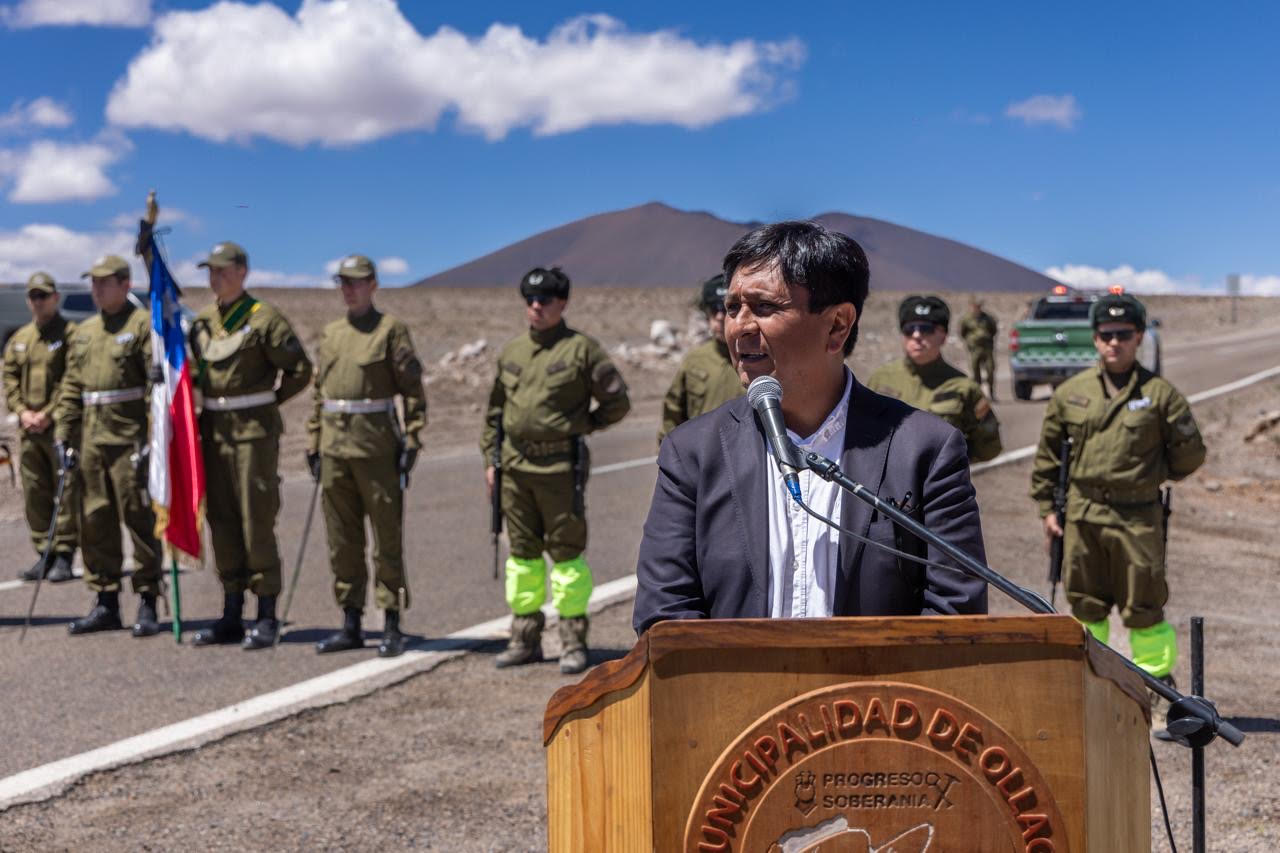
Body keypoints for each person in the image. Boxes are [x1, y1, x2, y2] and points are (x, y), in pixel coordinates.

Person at [632, 222, 988, 634]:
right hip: (737, 698)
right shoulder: (692, 453)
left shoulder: (925, 449)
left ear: (837, 325)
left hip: (874, 698)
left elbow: (955, 614)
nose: (740, 327)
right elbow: (666, 616)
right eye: (733, 308)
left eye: (764, 307)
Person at [1031, 292, 1204, 694]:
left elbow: (1191, 454)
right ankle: (1088, 685)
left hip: (1138, 515)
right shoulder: (1071, 393)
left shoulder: (1160, 395)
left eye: (1123, 333)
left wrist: (1153, 475)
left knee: (1144, 605)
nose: (1114, 342)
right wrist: (1047, 510)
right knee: (1086, 605)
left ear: (1139, 336)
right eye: (1106, 334)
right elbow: (1048, 459)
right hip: (1083, 514)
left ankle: (1155, 688)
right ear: (1094, 338)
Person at [480, 267, 631, 673]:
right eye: (530, 299)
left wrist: (583, 426)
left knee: (566, 560)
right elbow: (495, 413)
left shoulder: (582, 350)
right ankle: (524, 638)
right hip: (515, 467)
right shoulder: (512, 351)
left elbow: (618, 402)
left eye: (545, 300)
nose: (535, 307)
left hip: (560, 469)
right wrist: (490, 462)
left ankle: (572, 641)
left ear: (562, 303)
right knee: (523, 559)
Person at [187, 242, 313, 650]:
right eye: (211, 271)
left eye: (223, 271)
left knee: (255, 518)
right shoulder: (203, 322)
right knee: (222, 520)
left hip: (254, 435)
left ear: (243, 272)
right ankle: (230, 612)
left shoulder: (265, 320)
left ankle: (266, 612)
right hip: (214, 432)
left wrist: (267, 402)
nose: (215, 278)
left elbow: (299, 370)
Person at [305, 255, 427, 657]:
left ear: (373, 285)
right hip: (335, 449)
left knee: (386, 538)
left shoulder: (391, 331)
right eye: (343, 282)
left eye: (356, 282)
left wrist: (412, 439)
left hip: (376, 449)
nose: (349, 289)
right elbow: (319, 393)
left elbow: (412, 390)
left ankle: (391, 620)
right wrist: (313, 442)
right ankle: (351, 621)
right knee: (343, 541)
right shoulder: (331, 333)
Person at [55, 255, 163, 636]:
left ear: (125, 283)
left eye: (104, 282)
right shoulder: (83, 331)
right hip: (92, 441)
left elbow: (157, 387)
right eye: (94, 282)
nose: (96, 289)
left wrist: (154, 437)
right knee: (94, 521)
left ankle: (148, 599)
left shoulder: (142, 326)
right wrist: (63, 433)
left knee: (138, 518)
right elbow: (71, 386)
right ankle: (106, 601)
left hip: (128, 437)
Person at [4, 272, 80, 584]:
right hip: (29, 429)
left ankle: (64, 554)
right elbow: (8, 377)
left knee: (65, 491)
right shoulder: (21, 338)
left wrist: (49, 413)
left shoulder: (70, 334)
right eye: (33, 296)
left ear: (55, 298)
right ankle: (44, 554)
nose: (38, 302)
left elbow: (71, 379)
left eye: (43, 296)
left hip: (59, 427)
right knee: (35, 492)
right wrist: (22, 412)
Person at [866, 295, 1002, 463]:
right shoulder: (880, 380)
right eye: (909, 329)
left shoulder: (964, 388)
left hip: (937, 486)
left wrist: (951, 463)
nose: (916, 335)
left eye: (926, 329)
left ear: (943, 336)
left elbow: (990, 447)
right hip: (883, 487)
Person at [657, 274, 744, 445]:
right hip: (702, 461)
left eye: (727, 309)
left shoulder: (763, 361)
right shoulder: (694, 361)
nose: (720, 317)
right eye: (714, 309)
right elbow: (673, 415)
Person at [960, 298, 998, 401]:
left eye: (978, 306)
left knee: (990, 370)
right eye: (974, 306)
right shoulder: (966, 319)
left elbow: (993, 330)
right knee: (976, 373)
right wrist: (970, 342)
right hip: (974, 349)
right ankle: (979, 396)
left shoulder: (987, 318)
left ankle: (991, 393)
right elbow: (963, 333)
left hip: (987, 349)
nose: (976, 309)